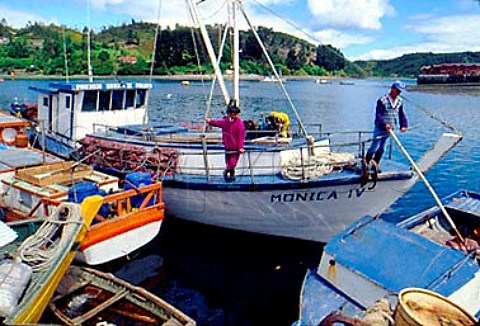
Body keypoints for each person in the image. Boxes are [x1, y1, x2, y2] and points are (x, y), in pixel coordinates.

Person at [365, 81, 408, 166]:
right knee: (374, 146)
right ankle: (366, 162)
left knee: (382, 148)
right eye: (397, 91)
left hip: (390, 129)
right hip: (380, 127)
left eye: (400, 91)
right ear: (392, 88)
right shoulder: (382, 100)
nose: (398, 93)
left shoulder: (399, 101)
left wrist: (403, 125)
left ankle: (375, 164)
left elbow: (401, 114)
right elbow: (378, 115)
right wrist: (384, 124)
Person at [206, 100, 245, 182]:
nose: (233, 115)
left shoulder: (239, 124)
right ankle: (231, 174)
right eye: (232, 114)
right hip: (227, 146)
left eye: (235, 114)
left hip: (235, 147)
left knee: (232, 162)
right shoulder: (226, 122)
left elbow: (241, 137)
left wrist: (240, 147)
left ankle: (228, 172)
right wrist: (210, 121)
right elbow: (218, 123)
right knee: (228, 161)